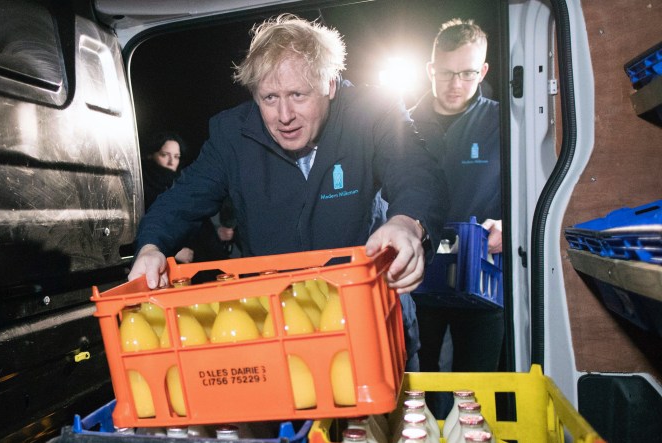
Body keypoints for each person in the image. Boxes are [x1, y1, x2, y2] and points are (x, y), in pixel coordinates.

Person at [129, 14, 448, 308]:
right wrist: (150, 247)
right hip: (276, 318)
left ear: (330, 85)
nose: (284, 117)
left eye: (298, 95)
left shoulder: (373, 112)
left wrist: (407, 222)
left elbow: (415, 168)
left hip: (369, 309)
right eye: (270, 98)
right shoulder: (231, 134)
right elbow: (183, 199)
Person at [409, 18, 503, 394]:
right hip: (419, 275)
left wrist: (508, 223)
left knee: (477, 392)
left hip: (482, 275)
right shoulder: (402, 124)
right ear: (430, 69)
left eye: (466, 73)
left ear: (483, 71)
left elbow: (534, 187)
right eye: (446, 73)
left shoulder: (504, 121)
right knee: (418, 386)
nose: (455, 84)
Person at [141, 131, 230, 264]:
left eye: (176, 156)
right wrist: (170, 253)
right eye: (165, 155)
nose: (171, 162)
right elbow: (144, 228)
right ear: (150, 155)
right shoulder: (144, 189)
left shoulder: (182, 184)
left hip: (201, 259)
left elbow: (198, 224)